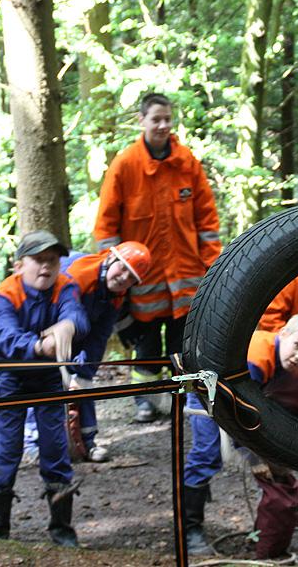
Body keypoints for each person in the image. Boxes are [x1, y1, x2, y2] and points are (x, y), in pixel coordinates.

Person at [94, 92, 222, 423]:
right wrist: (114, 276)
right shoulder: (125, 165)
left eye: (167, 119)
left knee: (184, 348)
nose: (163, 125)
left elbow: (207, 222)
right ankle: (146, 401)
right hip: (143, 280)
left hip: (187, 280)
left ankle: (185, 400)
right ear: (142, 121)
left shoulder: (187, 162)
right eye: (156, 119)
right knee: (146, 346)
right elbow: (106, 227)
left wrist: (213, 269)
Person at [183, 312, 298, 557]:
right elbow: (239, 416)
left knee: (269, 456)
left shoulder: (288, 364)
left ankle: (280, 509)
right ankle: (190, 528)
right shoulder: (259, 358)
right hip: (204, 390)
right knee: (207, 453)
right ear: (284, 334)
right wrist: (255, 457)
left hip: (232, 398)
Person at [0, 230, 89, 546]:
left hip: (48, 377)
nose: (46, 267)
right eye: (38, 260)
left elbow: (77, 316)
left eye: (52, 260)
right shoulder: (6, 293)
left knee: (55, 447)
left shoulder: (66, 286)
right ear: (19, 265)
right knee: (9, 448)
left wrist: (68, 325)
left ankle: (62, 529)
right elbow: (6, 337)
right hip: (9, 376)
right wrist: (39, 346)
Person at [21, 242, 153, 464]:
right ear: (111, 259)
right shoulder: (78, 274)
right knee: (44, 379)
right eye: (122, 268)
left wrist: (84, 372)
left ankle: (86, 441)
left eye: (131, 277)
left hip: (76, 329)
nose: (123, 278)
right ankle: (33, 444)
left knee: (82, 382)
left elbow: (99, 336)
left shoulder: (116, 294)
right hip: (44, 323)